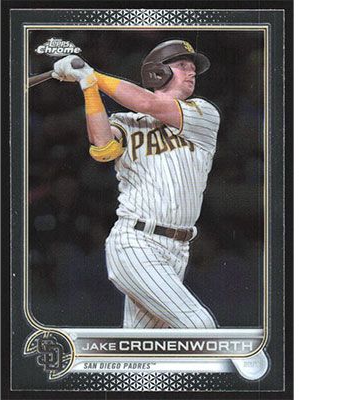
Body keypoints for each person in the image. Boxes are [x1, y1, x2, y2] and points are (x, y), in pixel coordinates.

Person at [52, 40, 268, 379]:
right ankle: (238, 358)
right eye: (183, 66)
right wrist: (88, 86)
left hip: (177, 248)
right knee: (197, 323)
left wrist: (91, 75)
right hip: (135, 241)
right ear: (157, 72)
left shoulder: (202, 112)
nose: (192, 72)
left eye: (192, 68)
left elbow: (150, 103)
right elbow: (104, 147)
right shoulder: (126, 120)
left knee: (139, 353)